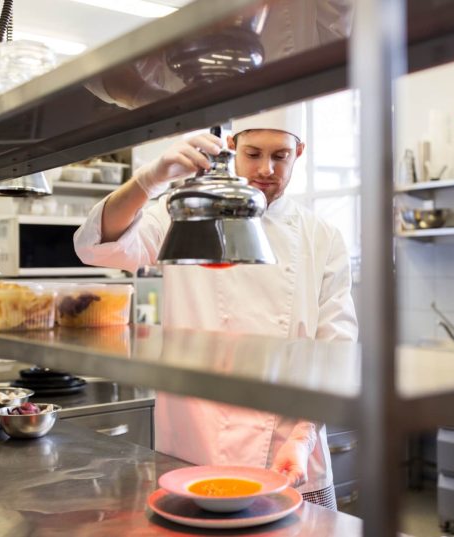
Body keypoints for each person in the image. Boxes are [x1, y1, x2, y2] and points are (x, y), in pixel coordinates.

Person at [73, 104, 358, 509]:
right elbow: (94, 247)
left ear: (300, 152)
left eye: (280, 156)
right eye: (254, 153)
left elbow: (337, 350)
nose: (266, 169)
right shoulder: (187, 211)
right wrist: (150, 180)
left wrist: (302, 437)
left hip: (288, 448)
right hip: (197, 438)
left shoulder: (322, 236)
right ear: (231, 146)